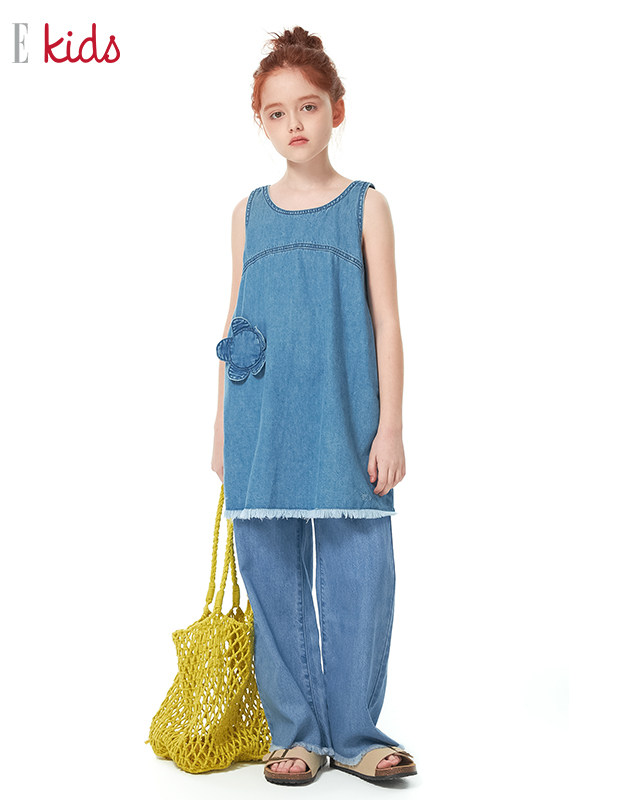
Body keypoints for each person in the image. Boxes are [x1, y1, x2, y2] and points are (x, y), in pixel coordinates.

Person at [211, 27, 415, 786]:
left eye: (308, 106)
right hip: (259, 416)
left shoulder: (366, 205)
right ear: (260, 122)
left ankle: (355, 736)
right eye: (276, 112)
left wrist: (391, 426)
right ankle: (296, 736)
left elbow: (388, 322)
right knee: (270, 575)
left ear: (337, 109)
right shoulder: (247, 213)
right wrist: (221, 427)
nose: (293, 123)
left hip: (346, 418)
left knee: (359, 568)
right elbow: (235, 321)